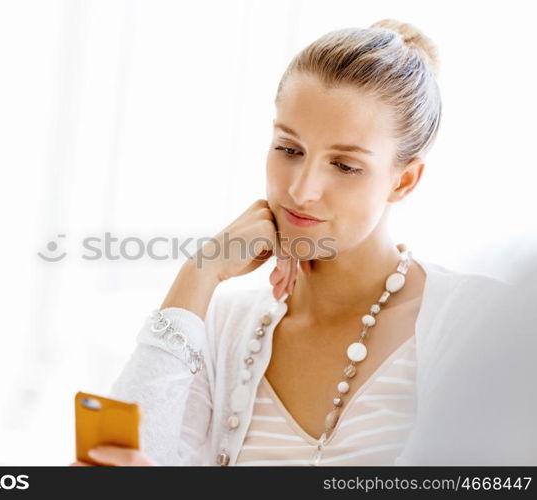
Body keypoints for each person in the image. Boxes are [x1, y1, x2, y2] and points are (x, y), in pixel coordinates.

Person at [72, 19, 513, 467]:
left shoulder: (478, 322)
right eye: (289, 149)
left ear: (404, 180)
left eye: (344, 165)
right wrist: (199, 274)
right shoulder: (225, 326)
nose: (302, 190)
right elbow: (123, 462)